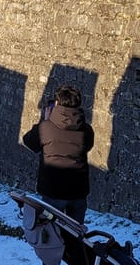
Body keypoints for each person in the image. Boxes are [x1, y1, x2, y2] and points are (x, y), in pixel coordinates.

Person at [22, 84, 94, 224]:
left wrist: (45, 120)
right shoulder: (87, 130)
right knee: (75, 235)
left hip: (53, 190)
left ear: (56, 103)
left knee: (52, 235)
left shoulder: (45, 128)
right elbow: (88, 146)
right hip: (78, 190)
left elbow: (29, 142)